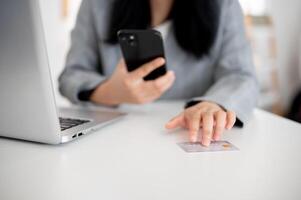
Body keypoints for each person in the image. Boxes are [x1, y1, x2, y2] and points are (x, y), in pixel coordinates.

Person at [59, 0, 258, 146]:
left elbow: (241, 76)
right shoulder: (96, 5)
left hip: (189, 138)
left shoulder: (224, 5)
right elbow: (71, 75)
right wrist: (108, 92)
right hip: (114, 141)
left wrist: (213, 104)